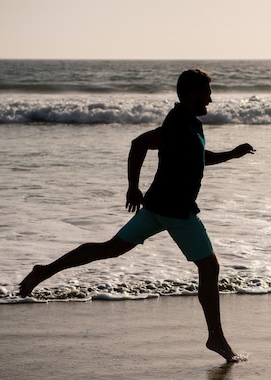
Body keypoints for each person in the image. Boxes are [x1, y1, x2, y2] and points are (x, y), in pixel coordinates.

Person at [19, 68, 255, 363]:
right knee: (209, 269)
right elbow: (139, 143)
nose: (211, 98)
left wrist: (231, 155)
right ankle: (215, 337)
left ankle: (44, 271)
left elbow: (197, 158)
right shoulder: (178, 125)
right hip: (177, 212)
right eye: (207, 92)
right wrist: (132, 187)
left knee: (108, 249)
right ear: (191, 93)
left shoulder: (190, 124)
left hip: (157, 208)